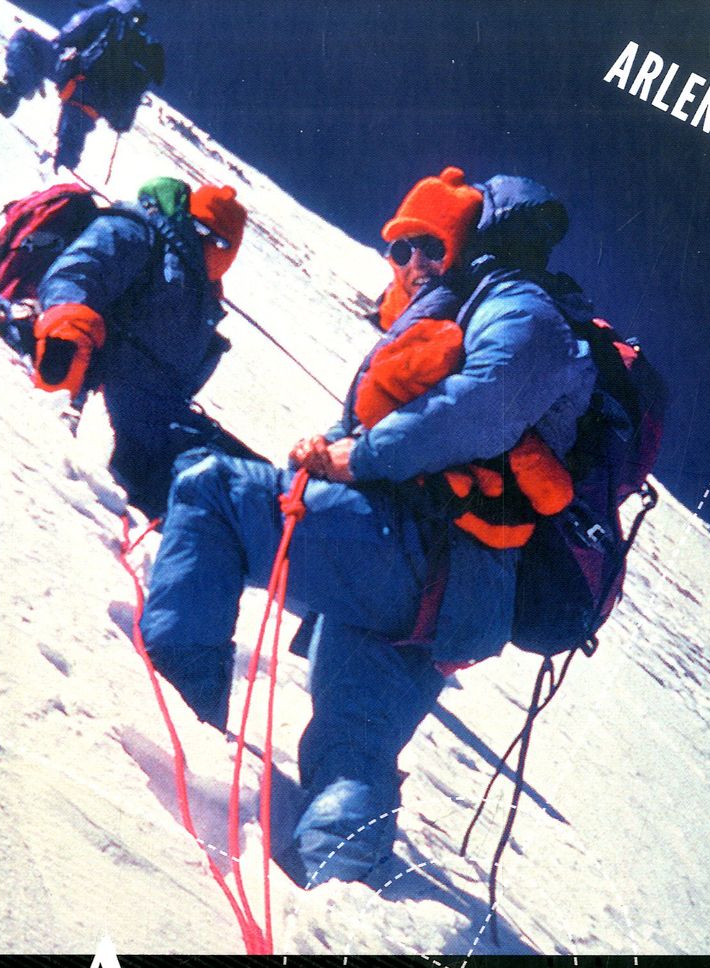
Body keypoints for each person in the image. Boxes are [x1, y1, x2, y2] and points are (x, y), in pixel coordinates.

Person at [140, 167, 598, 887]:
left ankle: (177, 717)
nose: (412, 262)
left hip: (418, 552)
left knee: (213, 493)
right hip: (450, 593)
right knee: (352, 752)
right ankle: (340, 904)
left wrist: (357, 458)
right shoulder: (467, 310)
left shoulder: (523, 310)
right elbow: (390, 423)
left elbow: (479, 407)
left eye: (431, 245)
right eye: (399, 247)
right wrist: (330, 453)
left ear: (475, 237)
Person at [33, 176, 250, 514]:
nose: (207, 243)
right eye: (200, 230)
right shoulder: (140, 233)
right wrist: (68, 325)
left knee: (252, 474)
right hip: (105, 395)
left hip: (157, 412)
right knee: (222, 487)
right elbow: (77, 272)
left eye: (220, 243)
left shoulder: (203, 289)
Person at [0, 1, 164, 171]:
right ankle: (63, 167)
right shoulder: (141, 49)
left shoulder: (108, 13)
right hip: (98, 102)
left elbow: (69, 33)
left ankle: (10, 94)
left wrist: (50, 61)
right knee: (73, 130)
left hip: (76, 76)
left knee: (25, 38)